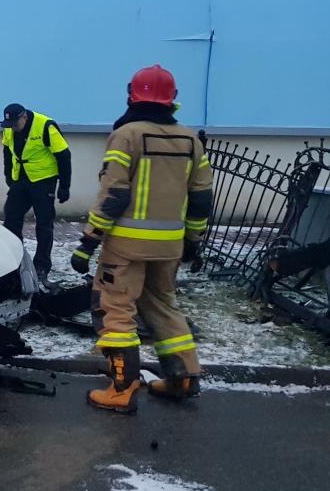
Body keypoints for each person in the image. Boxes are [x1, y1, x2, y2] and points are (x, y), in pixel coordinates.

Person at [69, 64, 213, 414]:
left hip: (125, 246)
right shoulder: (190, 140)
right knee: (163, 306)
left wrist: (89, 241)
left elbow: (114, 194)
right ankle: (184, 378)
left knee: (116, 309)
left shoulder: (127, 135)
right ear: (172, 99)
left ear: (131, 96)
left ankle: (122, 387)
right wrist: (193, 240)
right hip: (170, 246)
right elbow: (201, 198)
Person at [1, 103, 72, 283]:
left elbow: (64, 155)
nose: (12, 128)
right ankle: (14, 260)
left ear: (24, 117)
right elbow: (7, 152)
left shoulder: (45, 126)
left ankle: (41, 265)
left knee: (44, 224)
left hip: (43, 181)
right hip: (20, 180)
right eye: (10, 125)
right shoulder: (9, 128)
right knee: (11, 219)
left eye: (15, 124)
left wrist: (64, 186)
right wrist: (8, 175)